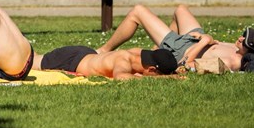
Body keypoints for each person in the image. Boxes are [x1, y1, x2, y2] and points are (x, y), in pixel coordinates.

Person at [97, 4, 245, 72]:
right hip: (194, 39)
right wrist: (208, 39)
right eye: (245, 36)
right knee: (181, 10)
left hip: (181, 48)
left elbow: (185, 65)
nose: (241, 38)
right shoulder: (237, 50)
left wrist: (205, 41)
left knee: (138, 11)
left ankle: (103, 50)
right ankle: (158, 50)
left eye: (245, 41)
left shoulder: (230, 63)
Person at [35, 45, 179, 80]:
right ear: (152, 69)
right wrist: (166, 77)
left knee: (33, 57)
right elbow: (120, 77)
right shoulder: (124, 61)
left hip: (85, 54)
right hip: (70, 60)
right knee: (27, 62)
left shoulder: (138, 53)